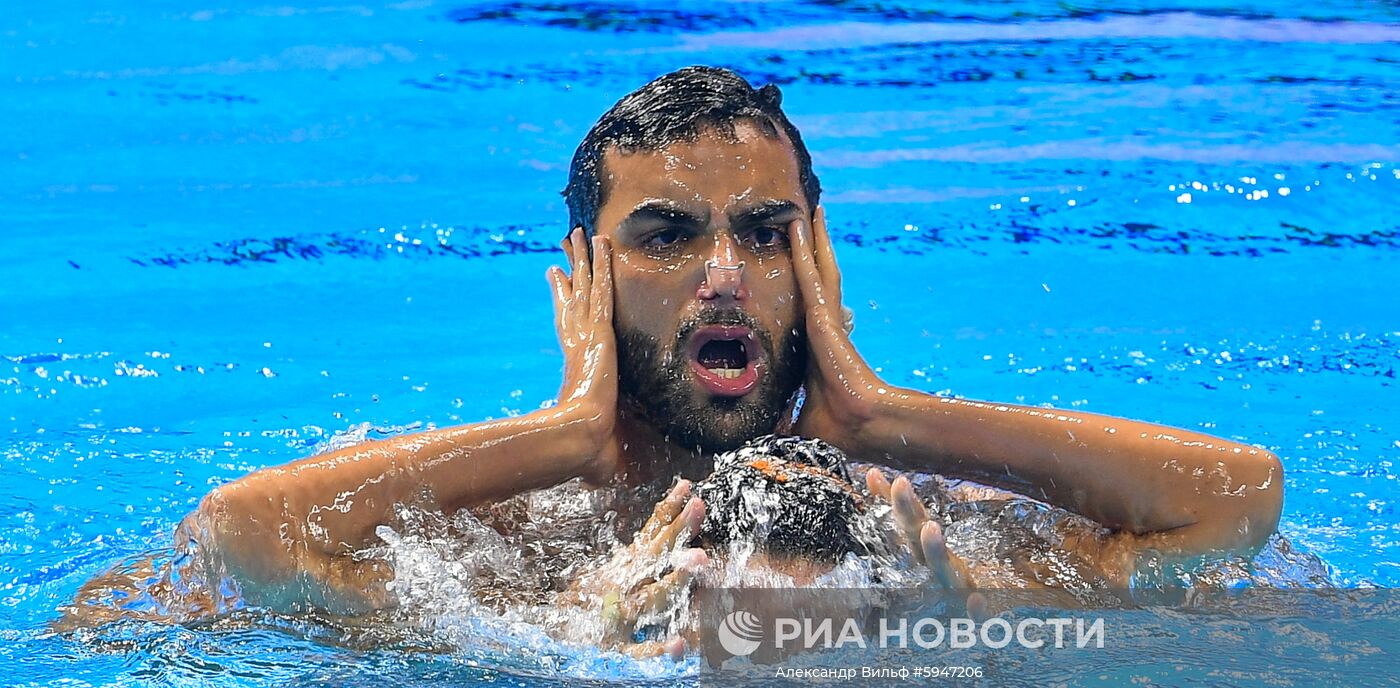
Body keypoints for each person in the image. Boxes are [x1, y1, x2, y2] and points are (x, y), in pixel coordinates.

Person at [65, 67, 1284, 653]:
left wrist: (878, 417)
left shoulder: (916, 523)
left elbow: (1233, 502)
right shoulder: (498, 521)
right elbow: (241, 538)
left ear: (817, 264)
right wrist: (559, 437)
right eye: (665, 237)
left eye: (765, 232)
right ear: (586, 275)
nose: (723, 276)